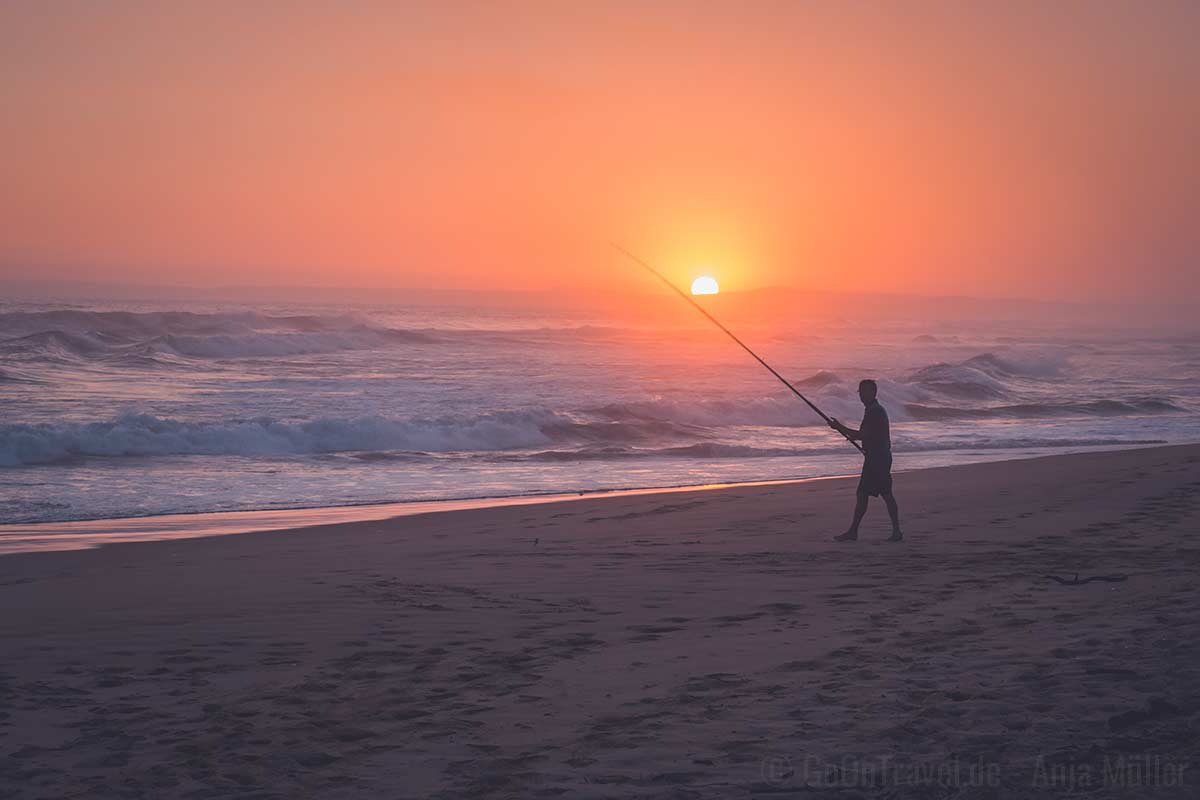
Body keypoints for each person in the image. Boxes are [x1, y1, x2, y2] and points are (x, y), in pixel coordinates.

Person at [828, 379, 902, 542]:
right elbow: (867, 435)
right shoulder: (873, 410)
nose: (861, 395)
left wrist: (839, 427)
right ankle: (857, 531)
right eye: (860, 392)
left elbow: (862, 435)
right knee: (872, 493)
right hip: (877, 458)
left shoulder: (874, 411)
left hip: (877, 460)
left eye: (864, 392)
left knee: (879, 494)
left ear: (873, 393)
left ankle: (892, 531)